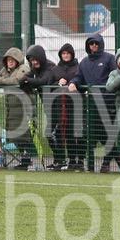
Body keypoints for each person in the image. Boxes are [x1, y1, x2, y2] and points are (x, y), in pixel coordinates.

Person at [69, 33, 120, 173]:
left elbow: (116, 76)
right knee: (97, 135)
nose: (93, 46)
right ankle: (117, 160)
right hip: (92, 106)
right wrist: (73, 83)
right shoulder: (84, 62)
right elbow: (78, 77)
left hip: (108, 104)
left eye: (96, 43)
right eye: (91, 43)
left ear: (101, 44)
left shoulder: (109, 58)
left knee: (107, 135)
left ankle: (107, 163)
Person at [0, 47, 33, 169]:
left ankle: (26, 160)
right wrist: (6, 80)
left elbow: (17, 80)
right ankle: (23, 160)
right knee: (14, 135)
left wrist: (3, 80)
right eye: (8, 60)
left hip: (22, 106)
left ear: (17, 60)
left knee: (23, 135)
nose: (9, 62)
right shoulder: (5, 70)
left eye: (12, 60)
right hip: (10, 108)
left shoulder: (24, 68)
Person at [20, 44, 56, 170]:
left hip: (58, 105)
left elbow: (43, 81)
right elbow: (23, 80)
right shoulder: (35, 69)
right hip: (48, 106)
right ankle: (58, 160)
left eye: (35, 60)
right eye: (31, 60)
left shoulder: (50, 67)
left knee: (56, 133)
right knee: (50, 134)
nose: (34, 62)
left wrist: (27, 80)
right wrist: (24, 80)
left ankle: (63, 160)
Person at [49, 43, 83, 171]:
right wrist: (58, 83)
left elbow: (81, 81)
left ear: (72, 54)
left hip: (76, 105)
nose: (66, 55)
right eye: (63, 53)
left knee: (78, 134)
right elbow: (49, 85)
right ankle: (70, 160)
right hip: (60, 107)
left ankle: (80, 160)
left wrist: (73, 84)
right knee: (66, 133)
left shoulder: (78, 68)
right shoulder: (55, 69)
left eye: (68, 53)